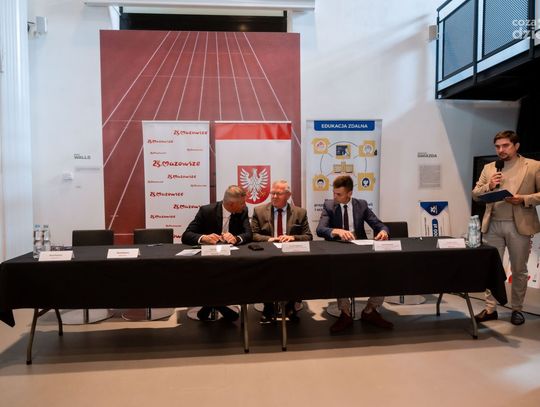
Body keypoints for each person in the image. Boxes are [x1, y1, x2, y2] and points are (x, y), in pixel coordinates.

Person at [472, 130, 540, 325]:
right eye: (497, 146)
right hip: (492, 224)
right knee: (491, 268)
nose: (501, 150)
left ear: (516, 146)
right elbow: (475, 194)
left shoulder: (533, 166)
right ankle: (490, 309)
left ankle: (517, 309)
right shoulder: (490, 168)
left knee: (519, 270)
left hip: (518, 225)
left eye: (505, 145)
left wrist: (523, 199)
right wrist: (489, 186)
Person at [316, 175, 392, 333]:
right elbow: (320, 229)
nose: (335, 197)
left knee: (384, 271)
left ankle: (370, 311)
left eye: (339, 194)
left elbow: (379, 224)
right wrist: (336, 231)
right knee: (340, 272)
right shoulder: (329, 205)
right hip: (339, 252)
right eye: (334, 193)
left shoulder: (361, 205)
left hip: (360, 250)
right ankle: (345, 314)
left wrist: (384, 232)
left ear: (349, 193)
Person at [181, 185, 252, 321]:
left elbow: (248, 234)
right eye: (242, 203)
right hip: (209, 259)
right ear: (231, 204)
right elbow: (186, 235)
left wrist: (236, 238)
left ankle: (209, 306)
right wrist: (204, 238)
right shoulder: (206, 211)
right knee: (210, 274)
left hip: (231, 259)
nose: (245, 205)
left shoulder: (243, 211)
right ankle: (218, 305)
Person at [251, 180, 313, 323]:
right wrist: (270, 239)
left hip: (290, 254)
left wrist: (293, 237)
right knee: (264, 271)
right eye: (272, 193)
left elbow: (308, 236)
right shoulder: (259, 211)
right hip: (268, 253)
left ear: (288, 195)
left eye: (278, 194)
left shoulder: (300, 212)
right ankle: (268, 306)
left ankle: (291, 305)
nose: (274, 196)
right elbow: (253, 234)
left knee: (298, 270)